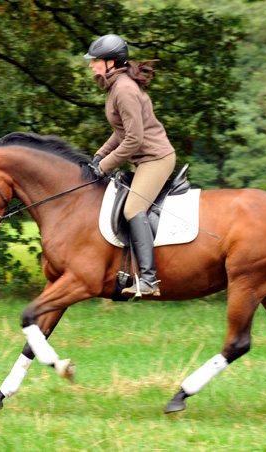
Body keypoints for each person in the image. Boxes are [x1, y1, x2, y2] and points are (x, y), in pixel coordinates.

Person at [84, 34, 177, 298]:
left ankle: (148, 280)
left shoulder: (123, 90)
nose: (92, 66)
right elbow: (120, 131)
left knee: (133, 208)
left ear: (112, 62)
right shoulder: (117, 87)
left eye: (96, 61)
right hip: (144, 158)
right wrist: (99, 156)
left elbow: (134, 139)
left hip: (155, 159)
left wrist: (105, 166)